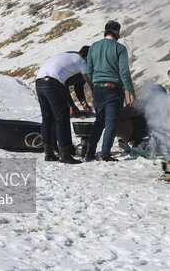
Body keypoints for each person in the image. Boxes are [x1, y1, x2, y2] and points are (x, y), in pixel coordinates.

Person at [85, 20, 135, 162]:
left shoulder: (93, 47)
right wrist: (131, 92)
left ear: (106, 30)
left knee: (99, 121)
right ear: (117, 32)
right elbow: (124, 72)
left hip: (98, 89)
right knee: (111, 123)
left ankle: (90, 151)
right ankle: (104, 154)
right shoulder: (120, 48)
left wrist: (93, 86)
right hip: (113, 89)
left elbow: (89, 70)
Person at [35, 47, 90, 164]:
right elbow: (87, 80)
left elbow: (75, 84)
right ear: (87, 57)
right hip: (52, 83)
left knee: (47, 118)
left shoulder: (67, 57)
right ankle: (65, 154)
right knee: (62, 118)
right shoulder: (82, 61)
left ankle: (49, 154)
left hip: (39, 82)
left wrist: (79, 103)